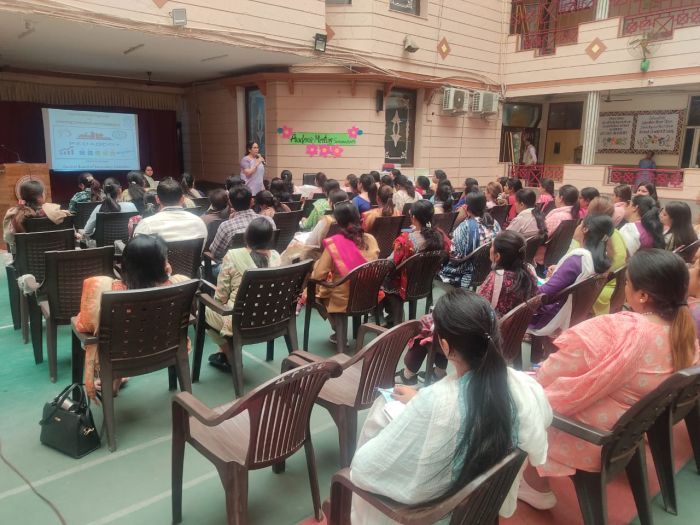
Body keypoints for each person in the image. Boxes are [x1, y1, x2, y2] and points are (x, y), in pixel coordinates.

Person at [351, 289, 552, 523]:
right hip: (481, 504)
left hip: (441, 509)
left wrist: (421, 404)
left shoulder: (436, 400)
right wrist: (419, 400)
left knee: (381, 412)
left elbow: (366, 469)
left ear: (445, 346)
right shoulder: (525, 386)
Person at [520, 249, 698, 509]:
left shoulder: (624, 331)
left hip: (592, 436)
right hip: (625, 435)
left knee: (524, 394)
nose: (625, 288)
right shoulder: (684, 334)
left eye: (628, 283)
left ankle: (534, 484)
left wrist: (533, 381)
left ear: (643, 295)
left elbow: (552, 372)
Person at [74, 235, 190, 399]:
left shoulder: (107, 291)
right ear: (162, 265)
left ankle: (112, 383)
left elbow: (85, 325)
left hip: (120, 355)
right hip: (165, 348)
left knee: (116, 334)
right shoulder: (180, 285)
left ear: (126, 264)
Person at [205, 218, 282, 372]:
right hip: (270, 317)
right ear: (270, 238)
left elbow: (220, 297)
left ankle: (228, 355)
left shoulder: (232, 256)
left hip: (240, 321)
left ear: (247, 236)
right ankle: (223, 354)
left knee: (205, 310)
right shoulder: (276, 257)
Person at [528, 215, 614, 340]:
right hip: (573, 314)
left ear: (585, 229)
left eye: (580, 224)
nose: (577, 227)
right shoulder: (599, 259)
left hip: (550, 315)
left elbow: (544, 293)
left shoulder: (578, 259)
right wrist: (559, 271)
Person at [310, 201, 379, 343]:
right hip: (368, 295)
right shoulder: (371, 239)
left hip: (344, 300)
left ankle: (338, 331)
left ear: (338, 221)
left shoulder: (334, 243)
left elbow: (318, 275)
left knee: (316, 295)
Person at [382, 200, 450, 326]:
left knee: (382, 278)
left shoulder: (406, 240)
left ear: (413, 217)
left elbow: (391, 262)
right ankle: (394, 317)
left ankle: (393, 318)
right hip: (424, 283)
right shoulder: (440, 235)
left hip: (404, 285)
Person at [570, 196, 627, 316]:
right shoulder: (615, 233)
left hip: (593, 291)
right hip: (613, 287)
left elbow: (573, 262)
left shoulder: (585, 233)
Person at [441, 192, 501, 288]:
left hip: (468, 271)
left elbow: (455, 254)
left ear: (467, 208)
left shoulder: (465, 227)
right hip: (488, 268)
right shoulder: (495, 222)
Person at [479, 231, 538, 318]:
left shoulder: (496, 277)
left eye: (491, 246)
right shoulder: (530, 271)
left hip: (496, 324)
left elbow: (479, 306)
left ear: (497, 256)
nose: (490, 248)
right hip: (518, 323)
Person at [209, 186, 275, 261]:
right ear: (252, 201)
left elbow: (216, 252)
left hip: (236, 265)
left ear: (230, 203)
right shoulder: (269, 221)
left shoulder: (226, 226)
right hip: (266, 264)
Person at [132, 177, 207, 243]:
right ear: (182, 199)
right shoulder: (199, 222)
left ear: (157, 199)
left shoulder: (146, 225)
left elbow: (138, 250)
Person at [3, 180, 70, 251]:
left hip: (26, 256)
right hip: (55, 254)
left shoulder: (14, 214)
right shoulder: (54, 211)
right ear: (40, 197)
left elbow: (8, 239)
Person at [533, 184, 580, 268]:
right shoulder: (573, 215)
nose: (555, 198)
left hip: (542, 257)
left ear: (561, 198)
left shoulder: (558, 216)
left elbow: (539, 236)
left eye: (557, 195)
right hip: (558, 255)